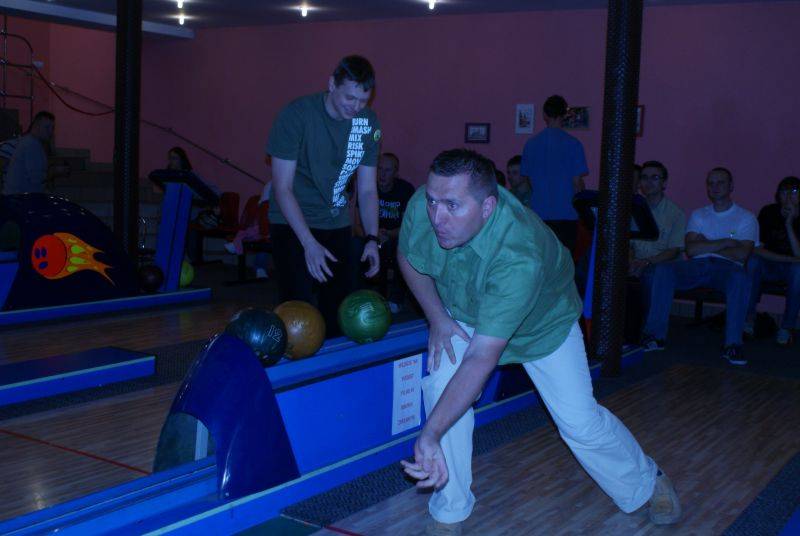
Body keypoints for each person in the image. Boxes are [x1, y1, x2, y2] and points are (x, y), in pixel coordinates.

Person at [398, 149, 680, 535]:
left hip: (542, 325)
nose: (437, 216)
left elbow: (481, 357)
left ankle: (648, 482)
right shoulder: (426, 202)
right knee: (442, 389)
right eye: (433, 201)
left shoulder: (519, 253)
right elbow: (409, 256)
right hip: (465, 310)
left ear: (487, 207)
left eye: (451, 206)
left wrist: (429, 434)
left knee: (579, 423)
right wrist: (438, 317)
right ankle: (450, 510)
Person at [267, 55, 381, 335]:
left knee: (338, 310)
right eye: (350, 98)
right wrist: (308, 243)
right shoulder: (296, 115)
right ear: (332, 84)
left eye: (363, 100)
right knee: (298, 313)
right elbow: (282, 188)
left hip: (336, 222)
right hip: (293, 223)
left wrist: (372, 238)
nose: (356, 107)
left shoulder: (367, 122)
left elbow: (367, 189)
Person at [640, 167, 756, 365]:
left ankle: (733, 345)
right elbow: (691, 250)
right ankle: (655, 337)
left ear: (731, 186)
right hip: (697, 265)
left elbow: (742, 254)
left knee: (740, 278)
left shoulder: (746, 218)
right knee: (663, 270)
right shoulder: (699, 215)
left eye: (720, 182)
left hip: (727, 269)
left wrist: (707, 243)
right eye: (711, 183)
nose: (715, 187)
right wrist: (726, 242)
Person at [520, 95, 588, 252]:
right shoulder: (574, 144)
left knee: (543, 259)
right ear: (564, 114)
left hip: (539, 214)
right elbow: (577, 183)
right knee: (565, 260)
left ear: (544, 115)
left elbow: (529, 180)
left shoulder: (531, 144)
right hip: (567, 214)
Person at [746, 176, 800, 345]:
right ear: (778, 195)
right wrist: (789, 259)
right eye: (784, 192)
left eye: (794, 192)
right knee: (753, 261)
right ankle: (748, 320)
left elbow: (799, 255)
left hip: (793, 270)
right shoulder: (768, 212)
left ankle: (787, 327)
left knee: (798, 270)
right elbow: (756, 249)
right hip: (770, 263)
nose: (788, 197)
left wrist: (789, 224)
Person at [629, 161, 686, 277]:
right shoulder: (633, 209)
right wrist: (631, 262)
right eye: (644, 177)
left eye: (654, 178)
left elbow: (674, 251)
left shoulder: (676, 214)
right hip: (636, 264)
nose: (648, 182)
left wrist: (646, 262)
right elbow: (629, 245)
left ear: (664, 183)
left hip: (662, 266)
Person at [376, 152, 415, 311]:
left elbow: (408, 227)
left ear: (395, 172)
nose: (382, 174)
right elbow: (358, 225)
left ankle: (395, 299)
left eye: (387, 170)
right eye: (379, 169)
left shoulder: (405, 189)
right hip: (373, 236)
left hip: (396, 236)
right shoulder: (368, 188)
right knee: (354, 245)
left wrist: (388, 234)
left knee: (401, 248)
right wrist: (374, 236)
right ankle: (372, 296)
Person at [3, 111, 55, 194]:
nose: (50, 131)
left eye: (52, 128)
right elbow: (36, 178)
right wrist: (55, 171)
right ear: (37, 126)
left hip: (19, 196)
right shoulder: (31, 144)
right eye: (47, 127)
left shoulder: (31, 143)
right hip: (20, 198)